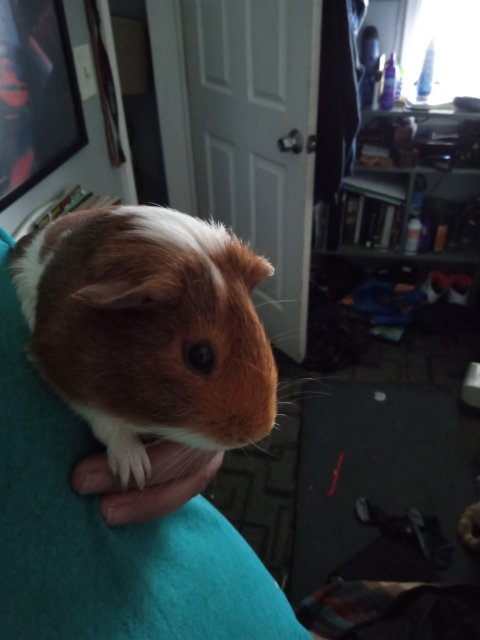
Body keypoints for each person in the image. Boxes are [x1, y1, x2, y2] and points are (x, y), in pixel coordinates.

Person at [0, 226, 313, 639]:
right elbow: (54, 349)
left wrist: (189, 436)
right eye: (200, 357)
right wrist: (116, 432)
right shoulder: (74, 318)